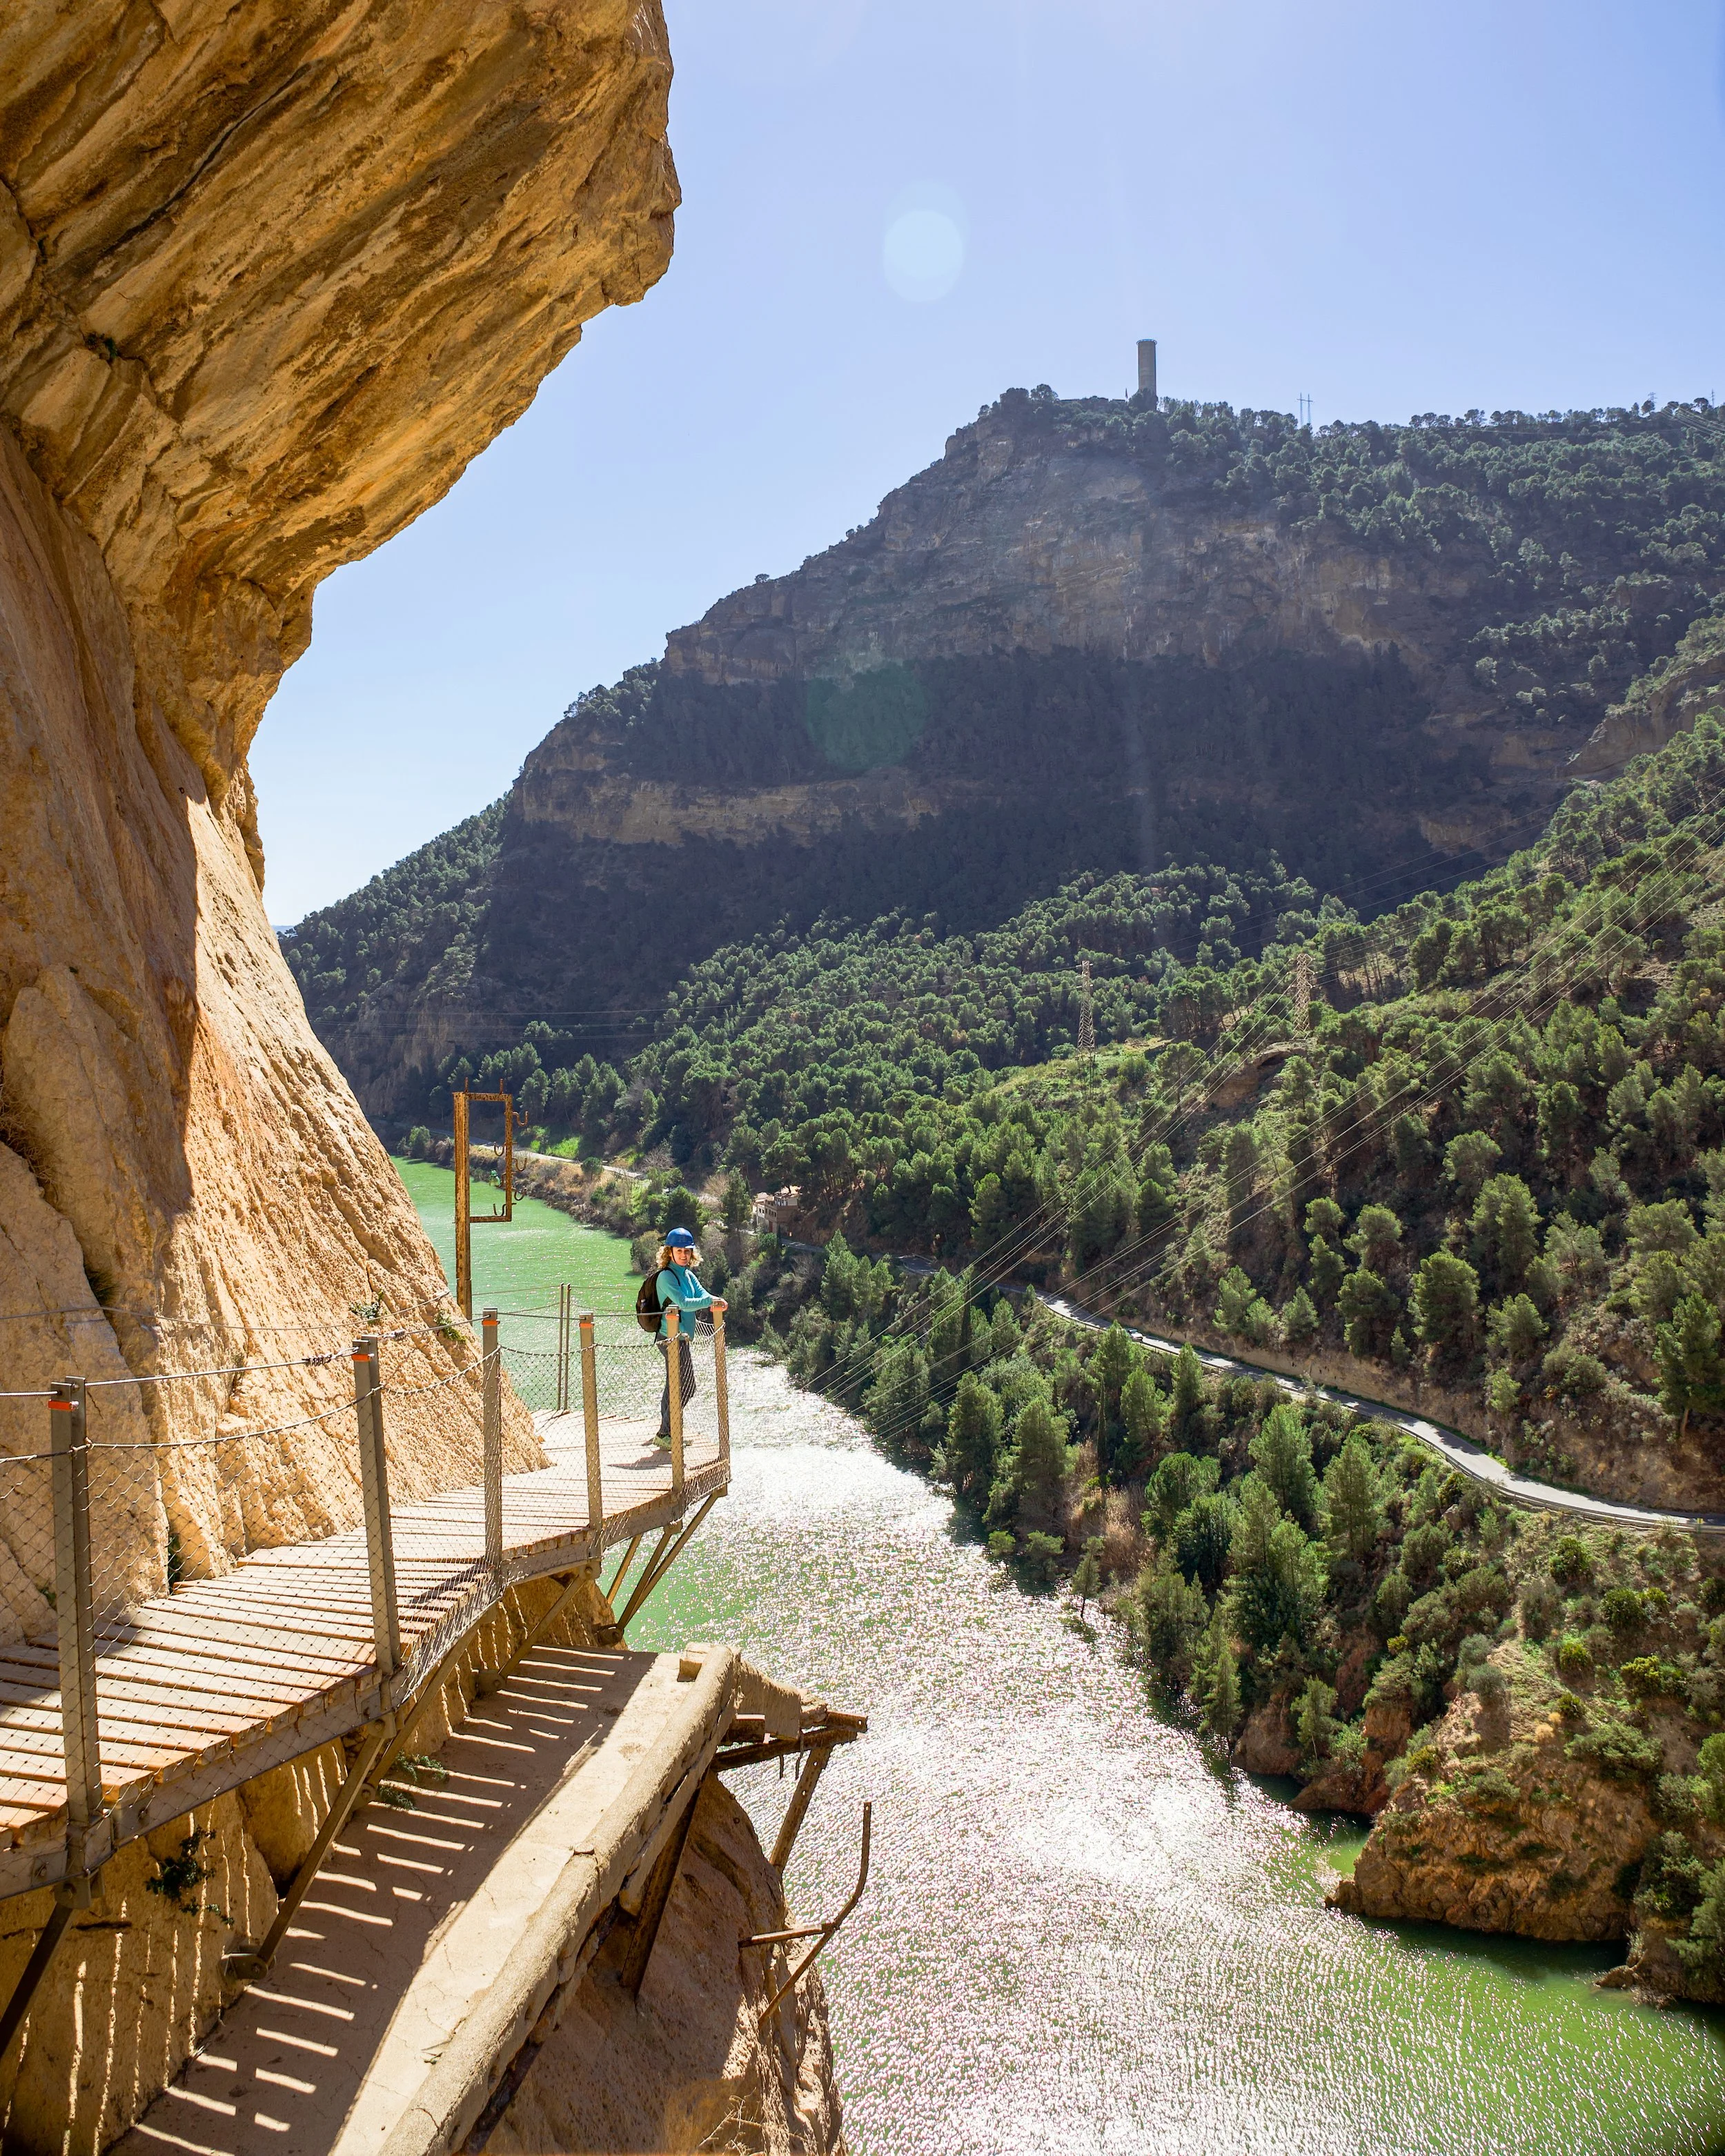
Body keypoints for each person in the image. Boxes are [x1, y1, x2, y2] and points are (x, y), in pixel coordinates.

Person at [653, 1227, 727, 1445]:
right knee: (687, 1386)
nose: (684, 1255)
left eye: (687, 1251)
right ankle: (665, 1433)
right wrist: (712, 1302)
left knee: (673, 1384)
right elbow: (684, 1304)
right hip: (670, 1338)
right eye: (679, 1251)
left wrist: (716, 1299)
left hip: (681, 1338)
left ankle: (669, 1432)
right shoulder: (666, 1277)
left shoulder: (688, 1275)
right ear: (669, 1252)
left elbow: (703, 1294)